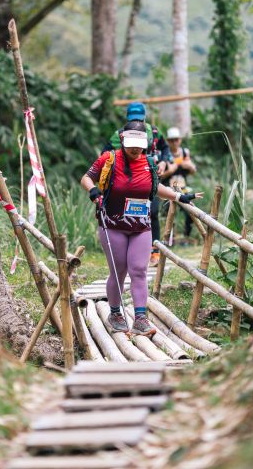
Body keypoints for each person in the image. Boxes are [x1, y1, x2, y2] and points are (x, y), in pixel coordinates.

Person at [82, 121, 203, 335]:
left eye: (139, 145)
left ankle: (140, 319)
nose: (135, 149)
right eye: (131, 144)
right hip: (113, 225)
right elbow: (86, 178)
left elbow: (156, 188)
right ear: (122, 140)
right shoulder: (109, 159)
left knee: (139, 270)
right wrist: (93, 191)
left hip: (141, 226)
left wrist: (179, 196)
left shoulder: (149, 162)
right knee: (119, 271)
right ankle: (115, 313)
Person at [102, 101, 172, 267]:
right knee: (132, 215)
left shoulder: (154, 132)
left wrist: (163, 162)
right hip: (128, 182)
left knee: (152, 212)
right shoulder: (120, 134)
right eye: (134, 120)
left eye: (139, 119)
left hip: (150, 178)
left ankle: (155, 251)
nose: (137, 123)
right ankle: (132, 253)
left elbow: (166, 149)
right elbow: (105, 153)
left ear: (144, 118)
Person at [161, 127, 197, 240]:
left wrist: (189, 166)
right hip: (168, 188)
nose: (174, 142)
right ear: (168, 141)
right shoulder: (165, 154)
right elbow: (160, 176)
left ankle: (187, 236)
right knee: (168, 213)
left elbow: (193, 171)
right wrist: (171, 170)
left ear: (180, 140)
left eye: (176, 140)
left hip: (183, 188)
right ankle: (170, 238)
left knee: (190, 210)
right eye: (171, 140)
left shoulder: (185, 152)